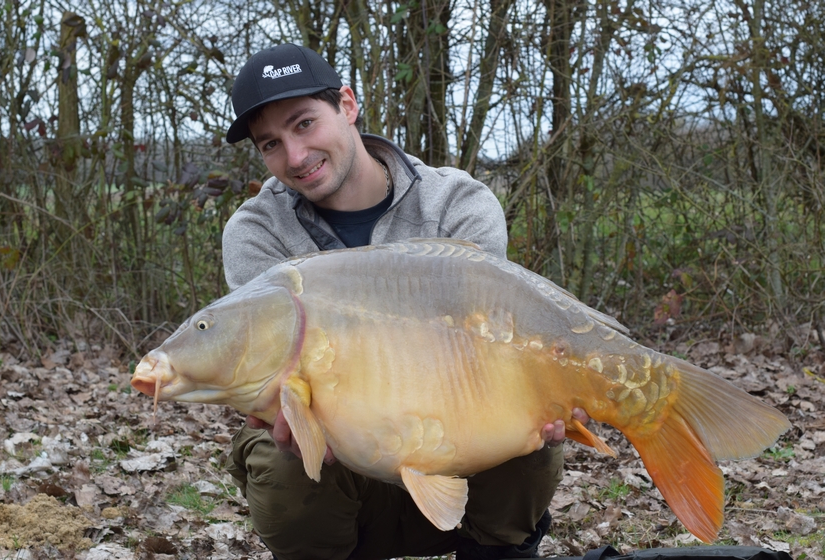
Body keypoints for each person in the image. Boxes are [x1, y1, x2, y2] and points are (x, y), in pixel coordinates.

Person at [221, 43, 589, 560]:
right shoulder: (256, 233)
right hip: (340, 470)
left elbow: (484, 354)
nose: (295, 156)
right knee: (280, 458)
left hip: (459, 448)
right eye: (270, 144)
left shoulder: (458, 204)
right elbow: (275, 372)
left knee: (534, 435)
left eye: (304, 124)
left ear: (347, 105)